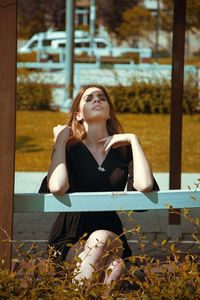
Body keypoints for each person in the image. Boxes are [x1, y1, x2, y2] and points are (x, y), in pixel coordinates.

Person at [42, 84, 159, 286]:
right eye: (89, 98)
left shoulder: (123, 149)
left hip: (110, 230)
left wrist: (134, 140)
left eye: (101, 97)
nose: (97, 100)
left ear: (109, 111)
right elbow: (57, 187)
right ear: (78, 115)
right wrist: (59, 143)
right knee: (116, 268)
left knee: (100, 237)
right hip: (70, 236)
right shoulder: (69, 148)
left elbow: (145, 185)